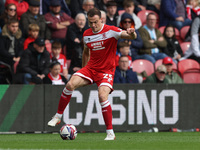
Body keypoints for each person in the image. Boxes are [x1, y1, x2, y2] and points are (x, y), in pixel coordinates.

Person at [47, 7, 137, 140]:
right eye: (90, 22)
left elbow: (130, 36)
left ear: (101, 19)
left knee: (102, 96)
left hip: (106, 71)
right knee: (70, 84)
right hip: (91, 69)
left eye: (95, 22)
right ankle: (58, 116)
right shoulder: (87, 34)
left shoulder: (111, 31)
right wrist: (84, 71)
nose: (93, 25)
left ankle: (110, 133)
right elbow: (86, 52)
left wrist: (132, 32)